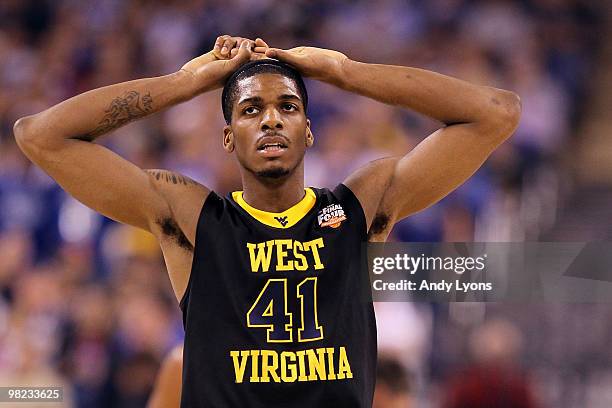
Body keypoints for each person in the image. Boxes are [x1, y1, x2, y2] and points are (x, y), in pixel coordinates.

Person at [13, 34, 521, 407]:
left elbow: (496, 112)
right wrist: (184, 82)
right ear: (228, 136)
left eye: (288, 106)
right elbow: (40, 135)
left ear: (309, 131)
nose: (272, 119)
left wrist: (345, 72)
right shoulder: (190, 217)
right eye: (251, 109)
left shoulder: (359, 208)